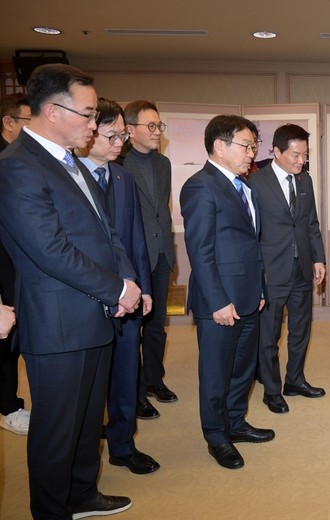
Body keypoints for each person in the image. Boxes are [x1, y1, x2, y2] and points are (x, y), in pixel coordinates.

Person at [0, 64, 141, 519]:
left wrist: (126, 280)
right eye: (89, 113)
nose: (94, 124)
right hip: (58, 322)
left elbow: (106, 232)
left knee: (87, 421)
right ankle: (52, 510)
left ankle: (82, 494)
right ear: (53, 111)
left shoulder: (70, 161)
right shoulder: (17, 167)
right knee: (57, 431)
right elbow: (51, 251)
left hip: (94, 314)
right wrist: (117, 289)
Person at [180, 115, 274, 470]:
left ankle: (236, 422)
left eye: (254, 146)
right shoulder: (200, 187)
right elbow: (200, 250)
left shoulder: (244, 187)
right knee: (216, 373)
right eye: (247, 146)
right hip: (219, 301)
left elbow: (253, 246)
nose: (252, 153)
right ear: (220, 146)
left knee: (242, 369)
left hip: (249, 296)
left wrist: (260, 287)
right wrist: (218, 300)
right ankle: (216, 436)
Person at [78, 98, 160, 474]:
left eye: (123, 135)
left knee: (127, 371)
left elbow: (135, 238)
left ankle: (123, 445)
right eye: (112, 135)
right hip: (86, 296)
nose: (119, 144)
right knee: (89, 381)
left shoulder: (123, 177)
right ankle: (86, 446)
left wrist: (143, 287)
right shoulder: (68, 176)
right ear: (89, 131)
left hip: (129, 293)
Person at [246, 123, 326, 414]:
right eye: (295, 155)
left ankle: (295, 380)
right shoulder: (256, 182)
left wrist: (318, 259)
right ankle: (271, 390)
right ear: (276, 152)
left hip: (302, 268)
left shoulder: (305, 181)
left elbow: (311, 224)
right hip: (272, 271)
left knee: (300, 330)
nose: (301, 161)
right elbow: (251, 233)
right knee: (269, 336)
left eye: (305, 155)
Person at [120, 100, 177, 419]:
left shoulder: (163, 164)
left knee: (157, 325)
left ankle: (154, 380)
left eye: (159, 126)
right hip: (134, 259)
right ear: (130, 130)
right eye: (151, 126)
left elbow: (161, 212)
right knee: (133, 329)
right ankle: (136, 391)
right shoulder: (119, 163)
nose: (157, 132)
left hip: (161, 254)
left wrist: (170, 250)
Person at [0, 93, 31, 435]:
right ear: (9, 123)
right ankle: (8, 407)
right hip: (3, 266)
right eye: (27, 121)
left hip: (17, 263)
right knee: (6, 340)